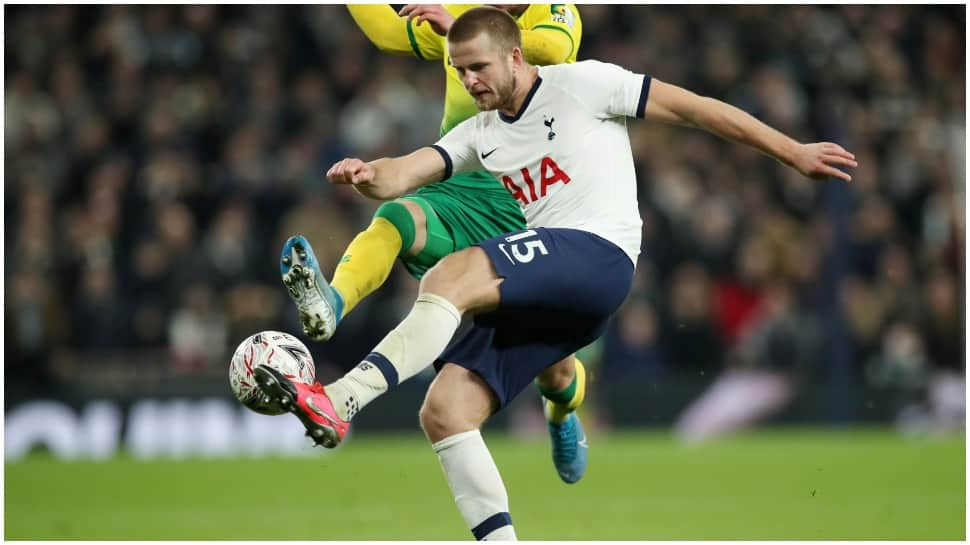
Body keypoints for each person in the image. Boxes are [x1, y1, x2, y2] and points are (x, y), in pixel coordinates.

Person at [257, 7, 856, 540]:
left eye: (479, 68)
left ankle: (338, 400)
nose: (469, 82)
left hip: (600, 254)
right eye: (460, 71)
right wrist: (367, 175)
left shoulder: (584, 84)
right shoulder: (480, 134)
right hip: (559, 279)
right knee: (445, 410)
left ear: (515, 56)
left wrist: (792, 151)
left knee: (451, 275)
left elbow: (695, 109)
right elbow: (408, 171)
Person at [281, 4, 591, 484]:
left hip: (529, 201)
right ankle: (331, 303)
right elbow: (388, 31)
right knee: (397, 218)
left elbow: (549, 48)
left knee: (557, 373)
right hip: (460, 186)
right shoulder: (462, 11)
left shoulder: (556, 11)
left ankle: (562, 415)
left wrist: (466, 34)